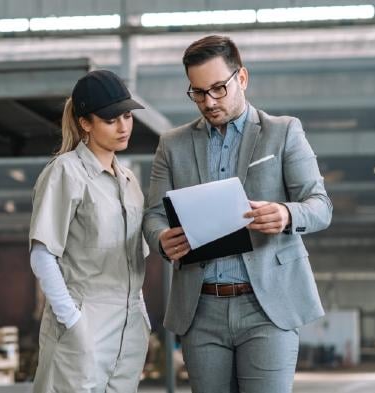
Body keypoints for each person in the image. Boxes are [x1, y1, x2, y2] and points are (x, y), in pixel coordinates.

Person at [142, 35, 332, 393]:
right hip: (201, 311)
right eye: (198, 93)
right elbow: (153, 215)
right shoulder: (172, 144)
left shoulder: (284, 132)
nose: (209, 102)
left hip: (267, 307)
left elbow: (321, 205)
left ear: (241, 78)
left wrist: (287, 214)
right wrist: (162, 240)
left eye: (218, 88)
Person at [29, 70, 151, 393]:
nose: (123, 126)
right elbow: (42, 254)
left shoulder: (129, 181)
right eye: (111, 119)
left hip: (129, 326)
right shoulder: (65, 172)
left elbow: (133, 259)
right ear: (85, 122)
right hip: (84, 320)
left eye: (127, 116)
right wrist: (72, 320)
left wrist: (142, 314)